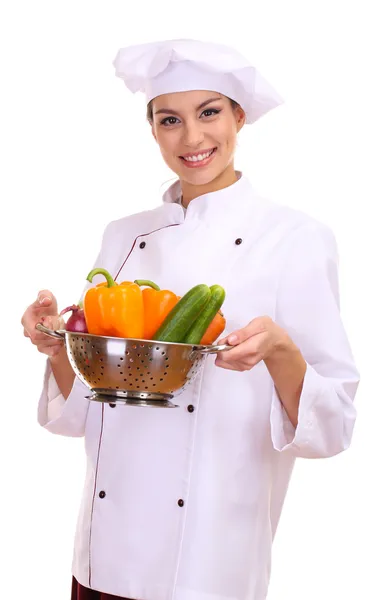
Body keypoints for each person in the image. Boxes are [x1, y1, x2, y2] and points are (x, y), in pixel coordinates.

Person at [21, 39, 360, 600]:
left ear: (239, 117)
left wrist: (279, 351)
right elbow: (94, 405)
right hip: (102, 549)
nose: (192, 138)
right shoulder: (123, 234)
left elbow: (333, 426)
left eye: (210, 112)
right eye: (170, 119)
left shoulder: (295, 239)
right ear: (152, 129)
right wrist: (60, 345)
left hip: (208, 558)